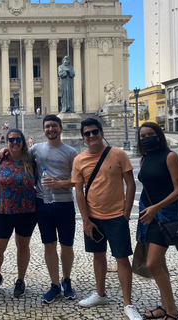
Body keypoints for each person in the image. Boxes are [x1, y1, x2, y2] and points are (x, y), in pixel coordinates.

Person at [71, 118, 142, 320]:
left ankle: (128, 303)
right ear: (83, 138)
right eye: (87, 133)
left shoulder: (117, 153)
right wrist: (85, 220)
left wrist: (126, 213)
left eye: (95, 132)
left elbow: (131, 183)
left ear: (102, 133)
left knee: (121, 258)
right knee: (98, 256)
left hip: (116, 216)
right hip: (93, 217)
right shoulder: (79, 160)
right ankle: (100, 294)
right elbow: (78, 191)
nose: (91, 136)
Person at [137, 122, 178, 320]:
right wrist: (146, 210)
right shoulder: (144, 159)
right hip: (147, 215)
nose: (146, 138)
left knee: (153, 263)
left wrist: (156, 207)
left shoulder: (170, 157)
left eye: (150, 134)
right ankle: (165, 306)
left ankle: (172, 311)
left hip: (165, 215)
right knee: (160, 264)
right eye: (142, 136)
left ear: (159, 135)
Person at [30, 115, 79, 303]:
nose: (51, 129)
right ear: (44, 130)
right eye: (48, 126)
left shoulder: (71, 152)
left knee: (67, 245)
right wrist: (3, 151)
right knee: (49, 245)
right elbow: (19, 158)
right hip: (42, 203)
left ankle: (66, 281)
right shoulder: (35, 149)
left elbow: (77, 181)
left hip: (65, 203)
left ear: (61, 128)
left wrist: (59, 184)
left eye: (54, 126)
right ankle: (54, 285)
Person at [0, 129, 37, 298]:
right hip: (3, 211)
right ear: (6, 142)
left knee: (22, 246)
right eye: (11, 139)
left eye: (18, 139)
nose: (15, 142)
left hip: (27, 211)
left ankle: (20, 280)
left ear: (23, 141)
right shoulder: (0, 159)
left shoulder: (31, 160)